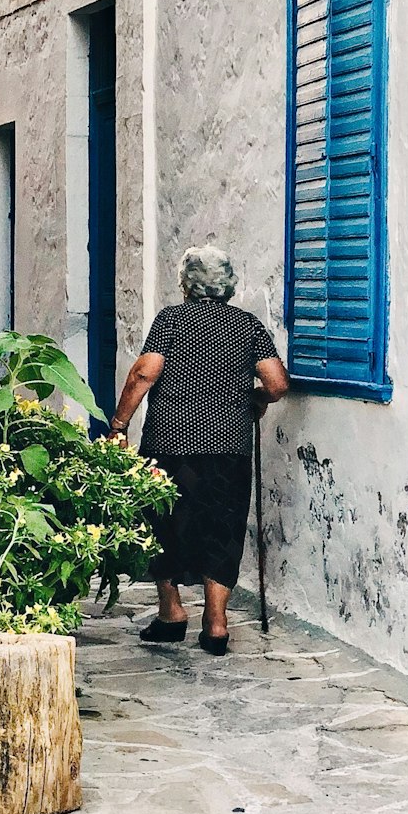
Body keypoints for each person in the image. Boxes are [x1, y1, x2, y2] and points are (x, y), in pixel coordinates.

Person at [107, 245, 289, 655]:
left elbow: (144, 372)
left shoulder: (171, 320)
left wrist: (119, 424)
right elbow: (277, 383)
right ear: (228, 285)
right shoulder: (247, 326)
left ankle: (171, 615)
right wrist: (256, 399)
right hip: (229, 445)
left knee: (167, 523)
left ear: (186, 284)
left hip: (170, 442)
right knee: (222, 526)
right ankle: (216, 625)